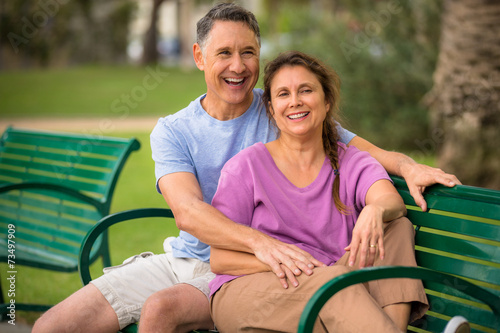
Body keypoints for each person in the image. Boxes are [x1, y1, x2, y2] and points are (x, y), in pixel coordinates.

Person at [32, 3, 459, 333]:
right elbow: (189, 213)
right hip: (194, 256)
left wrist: (405, 164)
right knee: (50, 327)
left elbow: (353, 149)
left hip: (241, 269)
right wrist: (262, 244)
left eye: (248, 53)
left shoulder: (280, 107)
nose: (238, 66)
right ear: (199, 57)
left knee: (163, 311)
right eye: (224, 54)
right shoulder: (174, 131)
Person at [208, 50, 429, 332]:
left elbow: (389, 200)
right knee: (330, 284)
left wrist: (375, 209)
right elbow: (220, 258)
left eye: (306, 90)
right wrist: (289, 263)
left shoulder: (351, 161)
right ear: (272, 110)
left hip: (333, 283)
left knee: (395, 227)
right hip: (252, 290)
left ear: (326, 103)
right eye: (283, 94)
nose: (295, 101)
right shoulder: (246, 168)